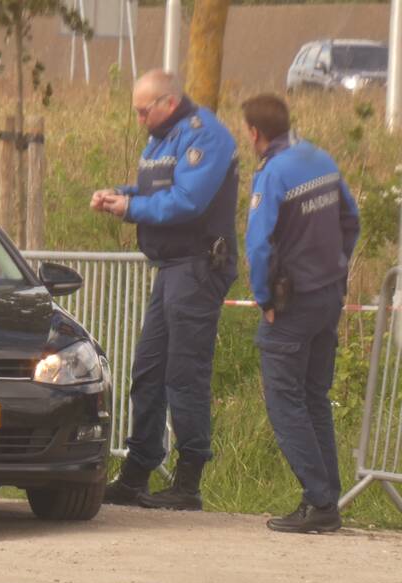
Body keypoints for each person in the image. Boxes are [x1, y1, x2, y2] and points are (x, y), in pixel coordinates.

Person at [90, 70, 239, 510]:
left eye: (143, 110)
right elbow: (159, 188)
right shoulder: (161, 137)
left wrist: (131, 208)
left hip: (197, 265)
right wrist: (121, 193)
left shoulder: (204, 136)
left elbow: (188, 201)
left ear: (168, 103)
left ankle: (188, 481)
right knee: (148, 369)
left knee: (183, 373)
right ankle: (138, 471)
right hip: (171, 266)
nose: (138, 119)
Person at [242, 94, 360, 533]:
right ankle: (327, 498)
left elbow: (257, 245)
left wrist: (265, 299)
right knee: (314, 397)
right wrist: (338, 269)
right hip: (328, 296)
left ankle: (318, 500)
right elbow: (352, 219)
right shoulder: (319, 156)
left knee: (285, 400)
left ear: (254, 133)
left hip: (291, 305)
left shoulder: (272, 174)